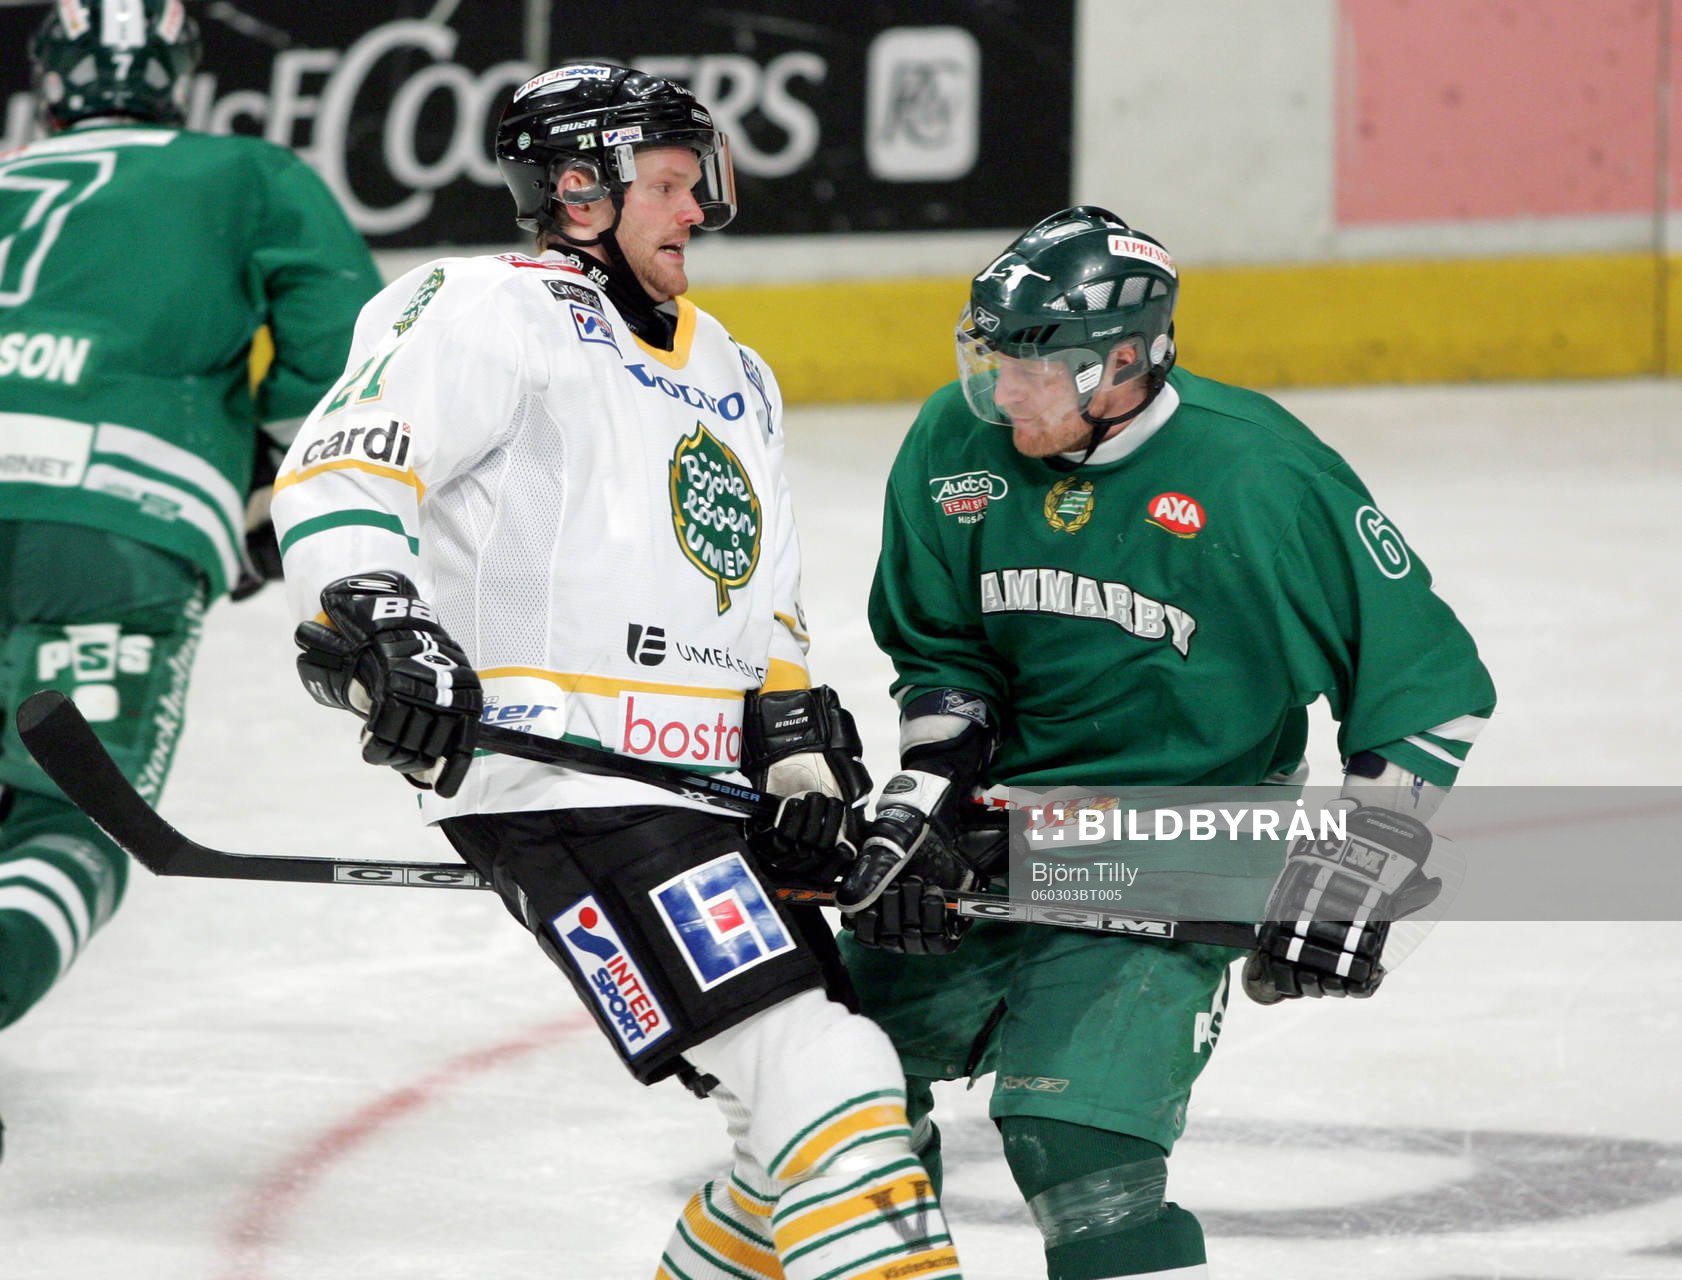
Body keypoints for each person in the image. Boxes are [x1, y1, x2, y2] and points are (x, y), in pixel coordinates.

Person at [271, 62, 965, 1280]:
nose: (697, 210)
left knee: (797, 1123)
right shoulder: (485, 306)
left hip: (703, 792)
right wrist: (378, 617)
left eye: (696, 184)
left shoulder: (736, 370)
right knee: (829, 1072)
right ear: (579, 192)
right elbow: (344, 470)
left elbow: (765, 597)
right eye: (668, 185)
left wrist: (796, 760)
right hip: (563, 783)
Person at [833, 206, 1497, 1278]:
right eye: (993, 359)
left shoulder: (1258, 475)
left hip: (1179, 835)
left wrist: (1356, 857)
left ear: (1127, 362)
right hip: (1001, 826)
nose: (1003, 394)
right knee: (829, 1086)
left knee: (1078, 1148)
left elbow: (1424, 686)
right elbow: (942, 652)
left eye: (1035, 369)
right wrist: (928, 793)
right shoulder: (951, 447)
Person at [0, 0, 378, 1084]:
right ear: (179, 74)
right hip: (114, 520)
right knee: (70, 820)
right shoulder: (245, 173)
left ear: (47, 77)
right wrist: (269, 504)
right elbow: (338, 371)